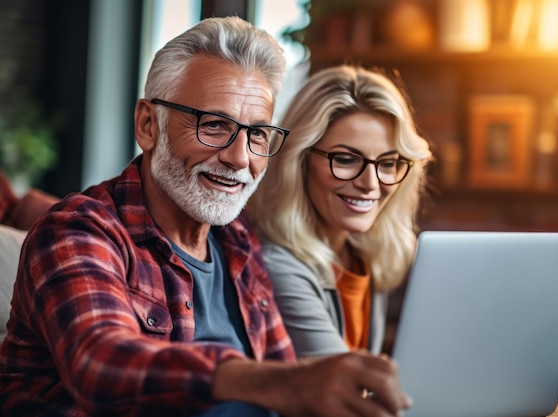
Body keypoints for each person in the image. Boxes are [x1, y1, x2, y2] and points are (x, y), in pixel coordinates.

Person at [0, 17, 411, 417]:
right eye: (214, 125)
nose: (240, 158)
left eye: (257, 134)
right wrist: (270, 384)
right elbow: (101, 363)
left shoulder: (239, 243)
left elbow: (286, 375)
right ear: (148, 125)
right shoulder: (77, 231)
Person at [248, 65, 432, 358]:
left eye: (387, 163)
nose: (370, 184)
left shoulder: (365, 257)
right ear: (300, 161)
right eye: (346, 159)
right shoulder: (278, 266)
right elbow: (345, 389)